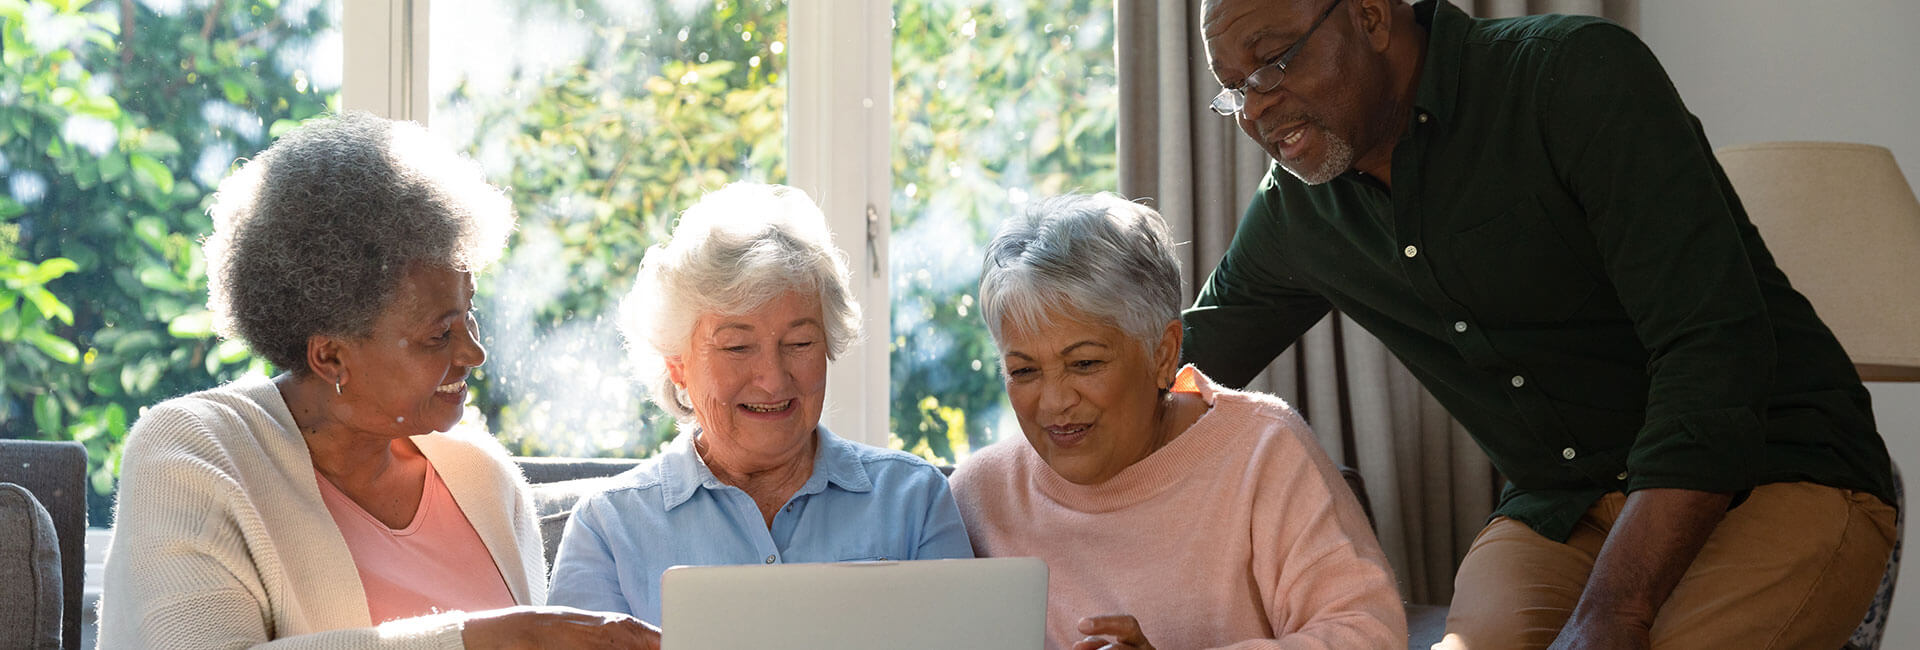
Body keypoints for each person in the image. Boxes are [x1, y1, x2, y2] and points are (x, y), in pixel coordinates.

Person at [1189, 1, 1898, 648]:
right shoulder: (1297, 214)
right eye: (1234, 89)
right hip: (1565, 505)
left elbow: (1711, 350)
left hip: (1779, 467)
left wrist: (1611, 610)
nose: (1255, 108)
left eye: (1274, 61)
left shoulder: (1571, 76)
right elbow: (1176, 359)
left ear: (1372, 16)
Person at [95, 112, 659, 649]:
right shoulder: (193, 454)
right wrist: (493, 639)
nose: (474, 353)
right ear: (331, 357)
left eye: (471, 316)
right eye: (439, 335)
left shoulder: (481, 476)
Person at [951, 193, 1404, 650]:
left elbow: (1367, 632)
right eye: (1024, 371)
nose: (1053, 403)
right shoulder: (978, 495)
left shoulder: (1264, 449)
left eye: (1085, 363)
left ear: (1163, 353)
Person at [546, 182, 974, 624]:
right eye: (737, 347)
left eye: (800, 342)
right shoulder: (609, 527)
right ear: (677, 364)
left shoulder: (912, 500)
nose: (772, 379)